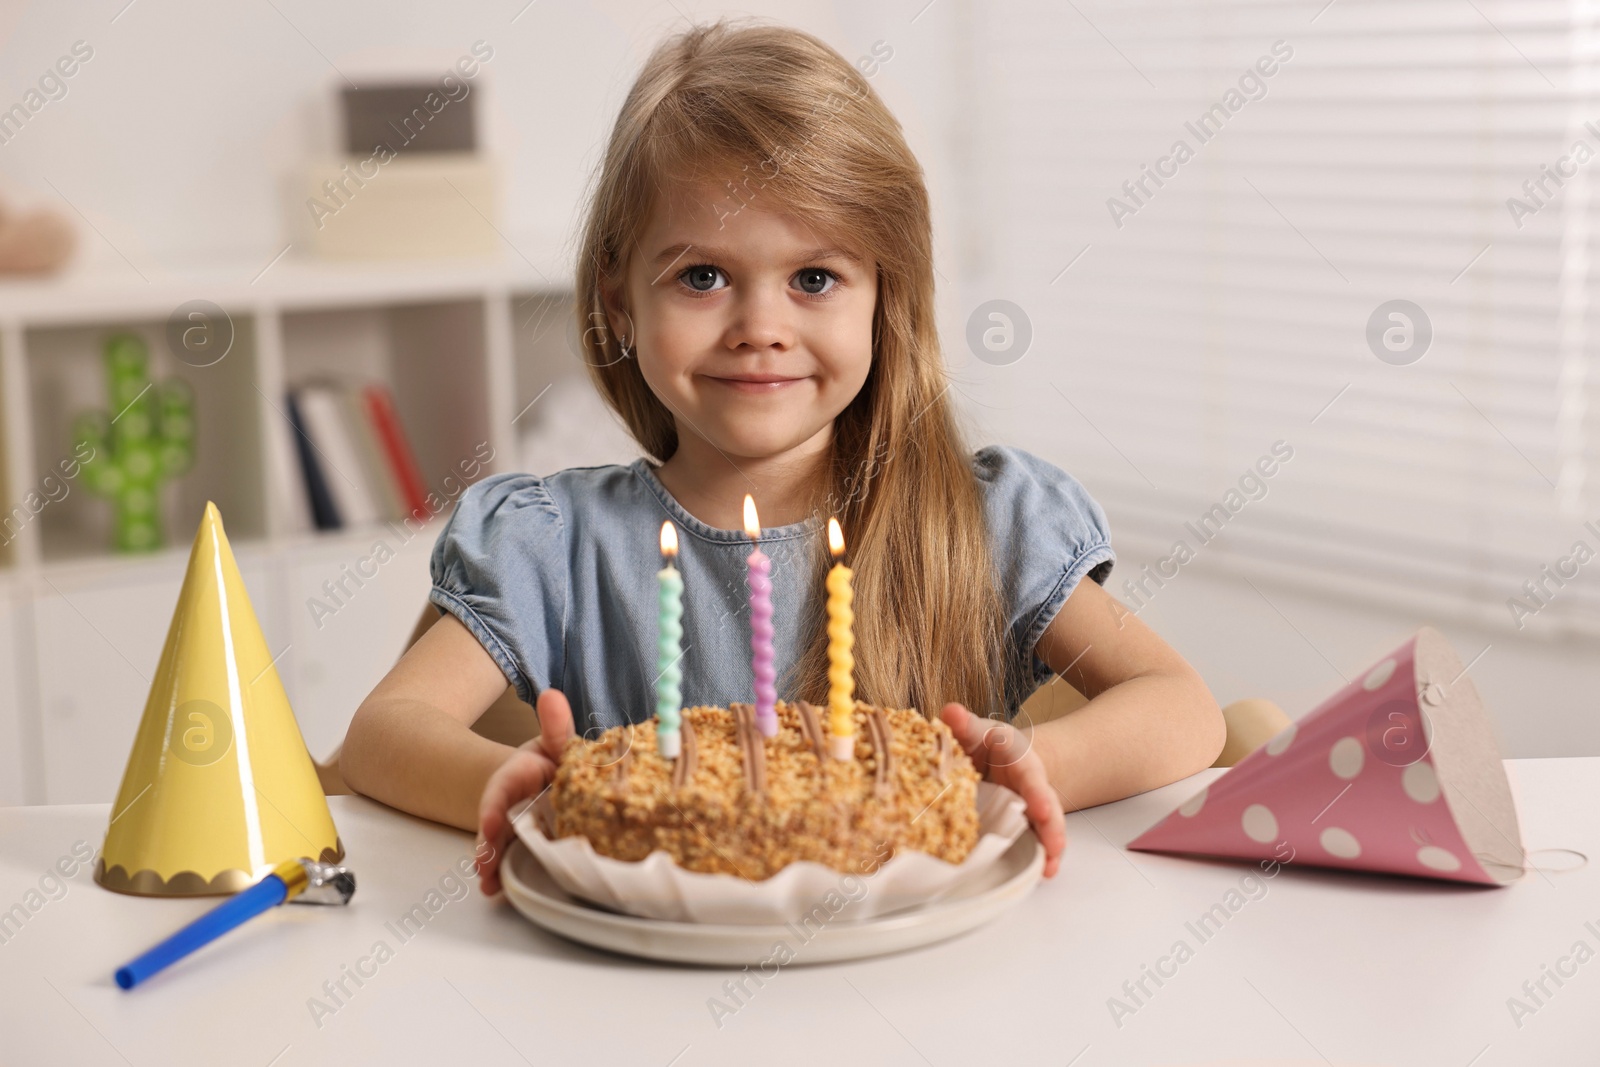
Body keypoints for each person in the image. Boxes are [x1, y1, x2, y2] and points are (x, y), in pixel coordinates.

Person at [339, 18, 1225, 895]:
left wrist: (1026, 764)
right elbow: (386, 730)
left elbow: (1182, 707)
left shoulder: (984, 521)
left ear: (887, 296)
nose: (761, 329)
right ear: (617, 299)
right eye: (701, 276)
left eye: (813, 279)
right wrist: (519, 789)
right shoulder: (553, 543)